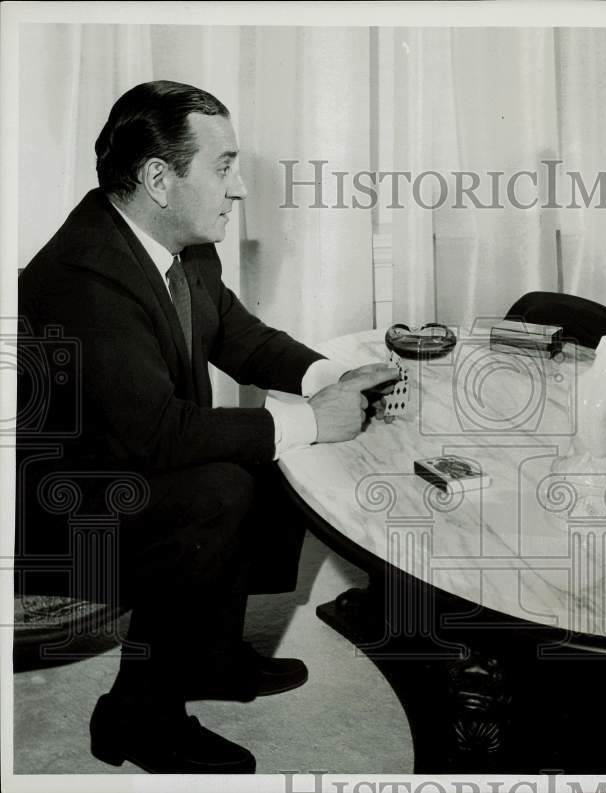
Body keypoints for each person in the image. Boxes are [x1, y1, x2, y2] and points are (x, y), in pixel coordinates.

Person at [16, 81, 399, 774]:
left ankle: (211, 659)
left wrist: (326, 380)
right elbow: (159, 435)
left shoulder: (182, 242)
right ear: (159, 179)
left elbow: (243, 338)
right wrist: (312, 420)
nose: (241, 186)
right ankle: (135, 713)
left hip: (129, 460)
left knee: (264, 454)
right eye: (223, 167)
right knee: (222, 485)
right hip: (59, 515)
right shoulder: (82, 278)